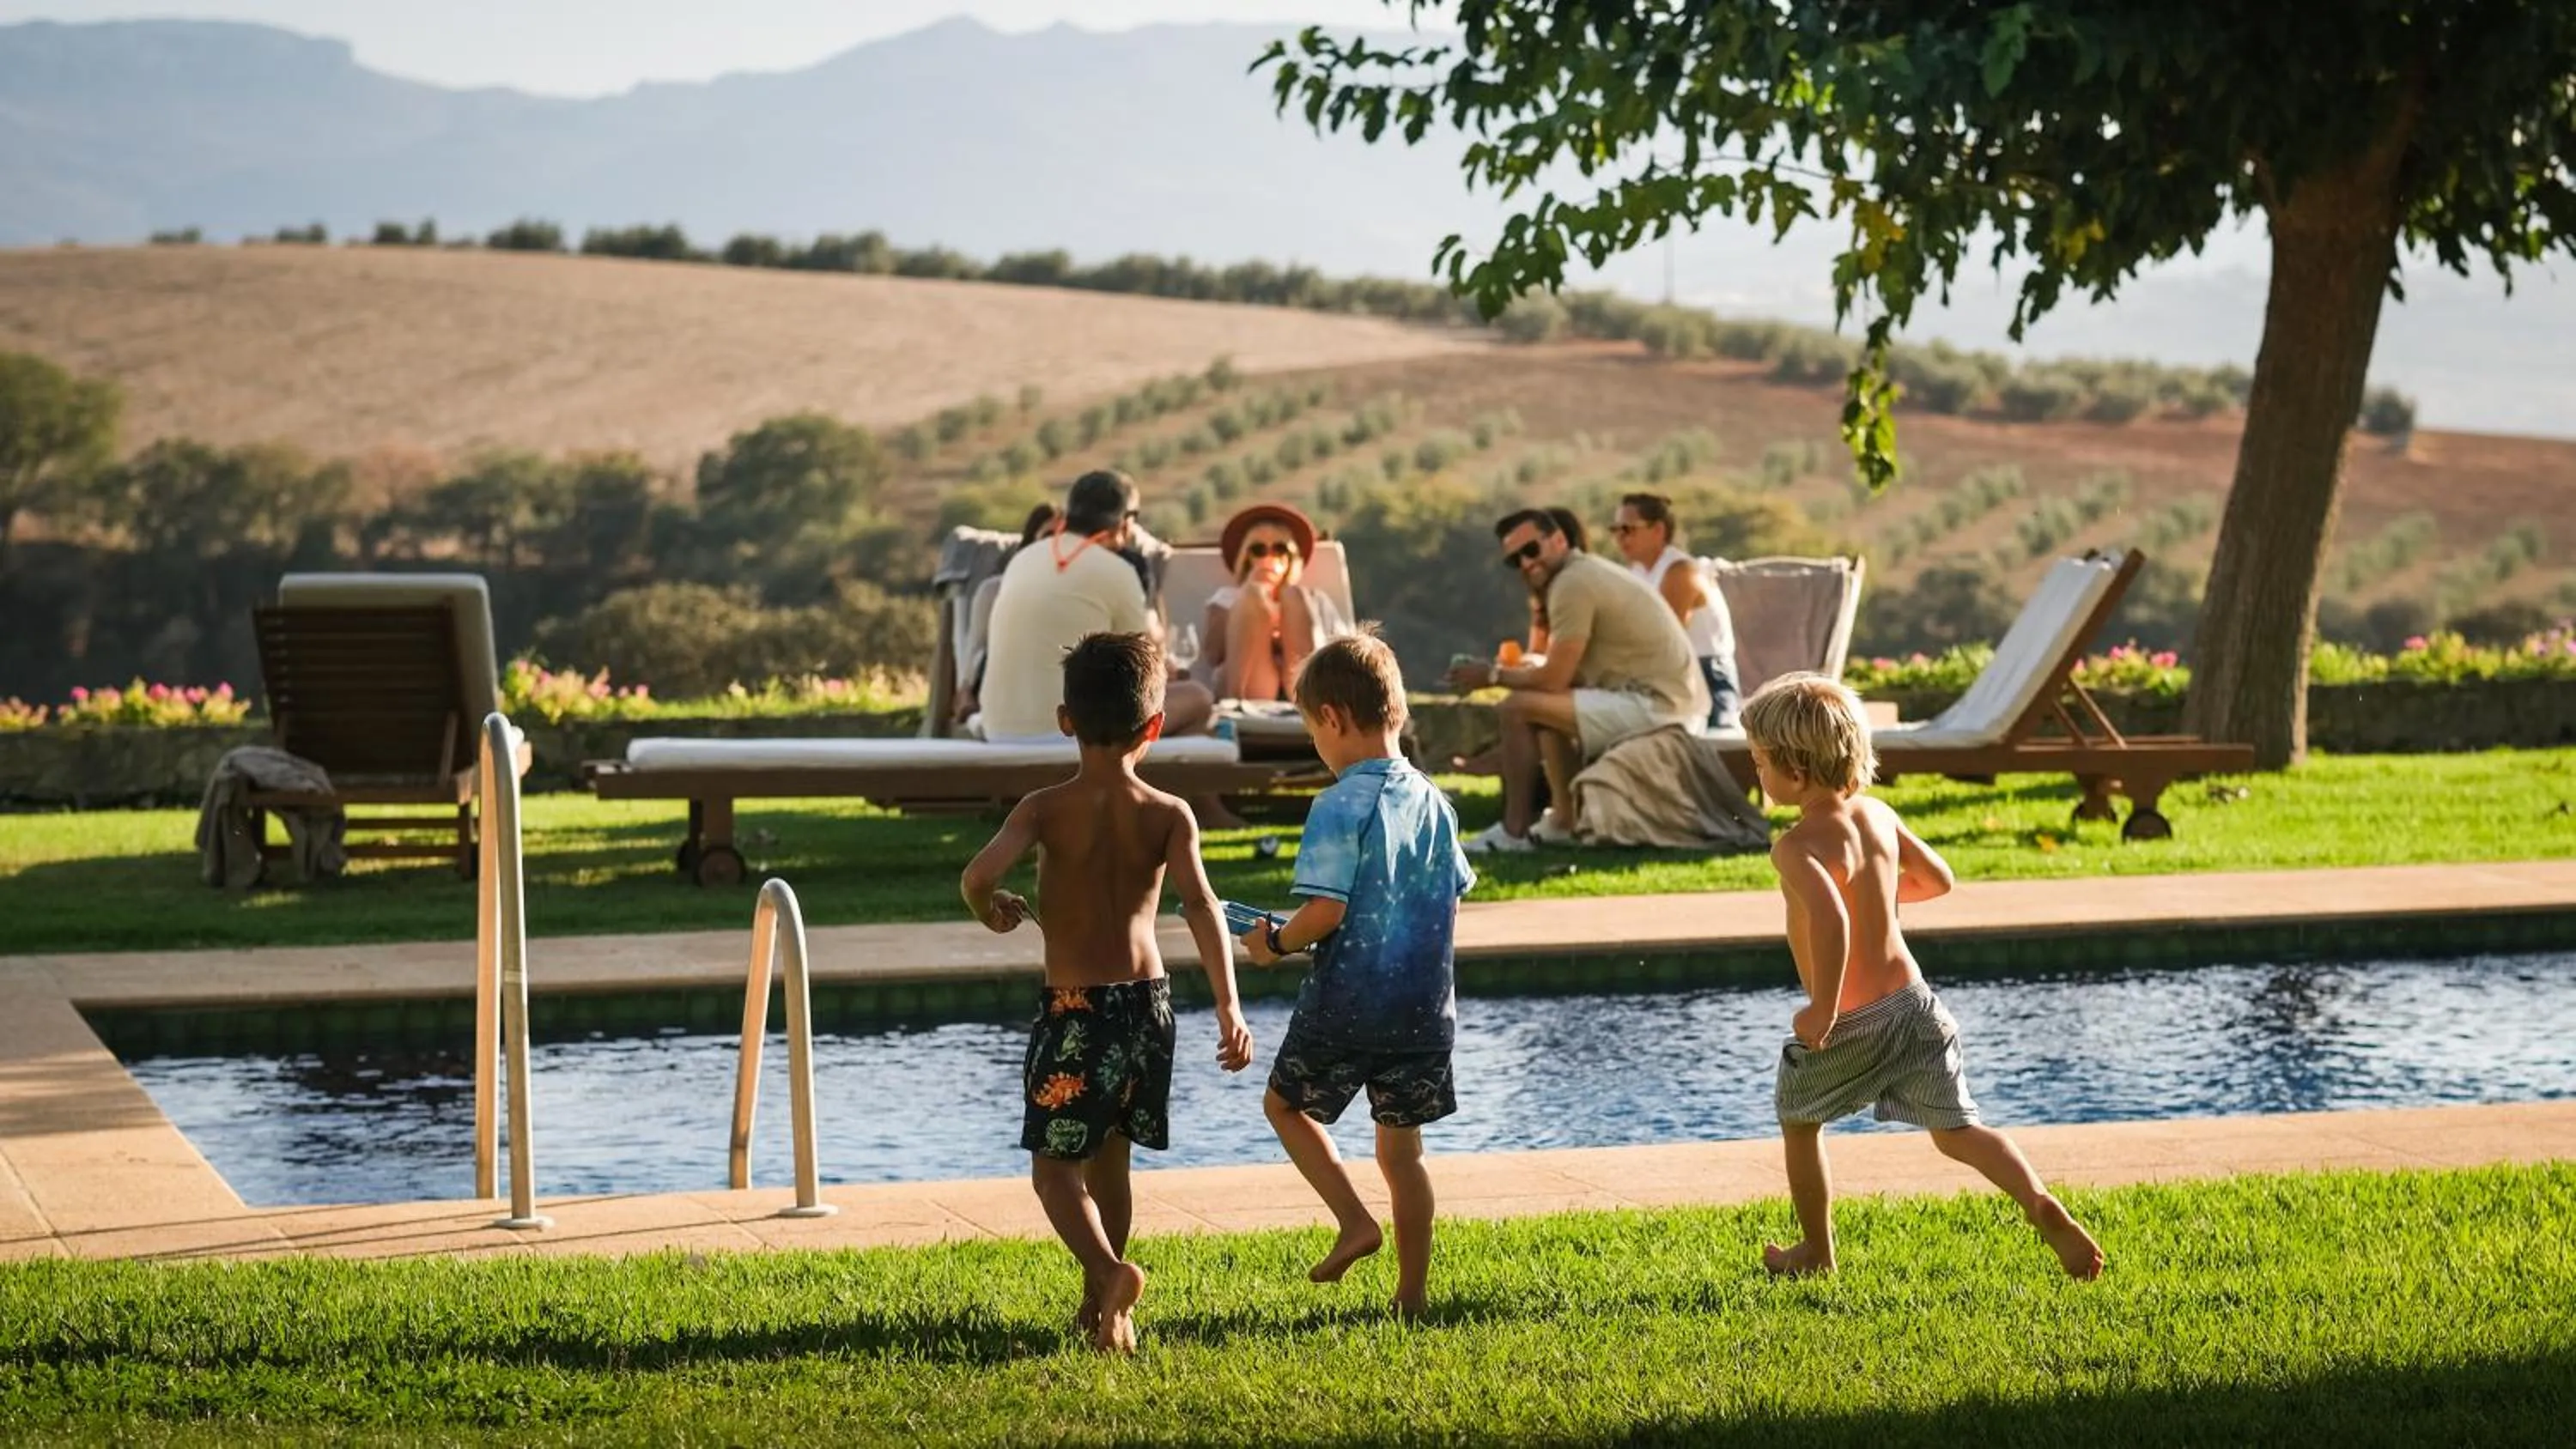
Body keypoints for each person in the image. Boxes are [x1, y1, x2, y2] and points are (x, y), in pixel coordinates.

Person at [1740, 672, 2104, 1282]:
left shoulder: (1795, 846)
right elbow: (1938, 879)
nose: (1757, 777)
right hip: (1917, 1005)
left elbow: (1831, 919)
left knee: (1799, 1123)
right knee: (1959, 1130)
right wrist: (1878, 893)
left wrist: (1822, 1009)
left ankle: (1816, 1254)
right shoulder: (1877, 815)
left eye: (1759, 764)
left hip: (1852, 1020)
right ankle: (2039, 1203)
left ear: (1795, 773)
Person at [959, 631, 1258, 1354]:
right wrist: (1229, 1006)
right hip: (1147, 1007)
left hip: (1076, 1011)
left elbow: (976, 877)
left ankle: (1109, 1273)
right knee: (1112, 1160)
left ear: (1066, 720)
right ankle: (1105, 1313)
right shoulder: (1169, 813)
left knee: (1054, 1172)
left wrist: (992, 911)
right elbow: (1202, 908)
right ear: (1154, 727)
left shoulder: (1043, 808)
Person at [1242, 632, 1473, 1320]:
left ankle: (1353, 1222)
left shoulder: (1339, 803)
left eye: (1313, 728)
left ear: (1333, 719)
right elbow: (1450, 892)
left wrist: (1275, 942)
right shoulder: (1436, 801)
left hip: (1348, 1005)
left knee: (1284, 1106)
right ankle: (1412, 1296)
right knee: (1404, 1155)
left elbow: (1326, 909)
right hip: (1425, 1014)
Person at [1444, 509, 1706, 852]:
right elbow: (1568, 672)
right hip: (1666, 700)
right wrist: (1525, 670)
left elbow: (1554, 679)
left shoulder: (1572, 583)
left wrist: (1492, 676)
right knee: (1541, 715)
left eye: (1531, 550)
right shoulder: (1584, 573)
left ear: (1559, 541)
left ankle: (1514, 832)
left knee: (1515, 708)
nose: (1525, 564)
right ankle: (1563, 822)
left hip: (1662, 707)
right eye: (1514, 560)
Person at [979, 470, 1213, 743]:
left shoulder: (1023, 559)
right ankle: (1134, 787)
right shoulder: (1117, 571)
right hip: (1067, 734)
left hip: (996, 731)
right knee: (1199, 700)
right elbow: (1147, 670)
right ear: (1126, 524)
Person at [1610, 492, 1741, 730]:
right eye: (1615, 529)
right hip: (1667, 675)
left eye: (1628, 529)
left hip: (1707, 677)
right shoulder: (1636, 573)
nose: (1619, 537)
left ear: (1658, 530)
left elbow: (1664, 637)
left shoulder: (1681, 571)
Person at [1202, 502, 1338, 701]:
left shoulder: (1314, 599)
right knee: (1253, 596)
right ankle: (1237, 707)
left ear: (1291, 558)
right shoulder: (1228, 597)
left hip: (1302, 684)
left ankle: (1308, 702)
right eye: (1258, 550)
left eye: (1280, 549)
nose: (1269, 557)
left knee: (1292, 596)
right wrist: (1250, 597)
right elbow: (1212, 654)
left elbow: (1341, 651)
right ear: (1246, 558)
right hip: (1251, 687)